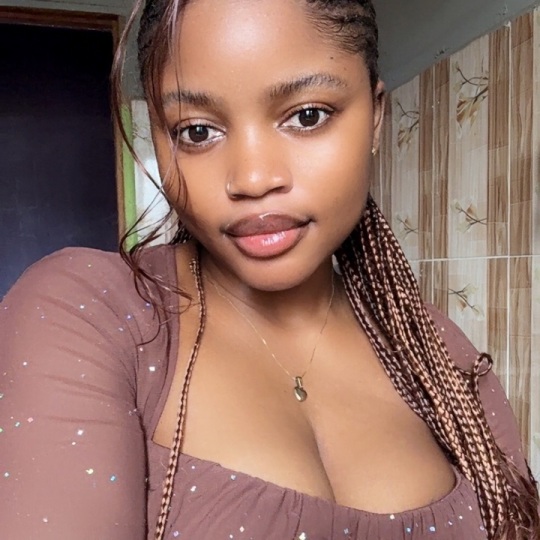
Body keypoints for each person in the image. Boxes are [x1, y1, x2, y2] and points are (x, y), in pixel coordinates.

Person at [1, 0, 539, 538]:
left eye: (307, 116)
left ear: (376, 118)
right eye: (196, 132)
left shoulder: (437, 351)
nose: (253, 178)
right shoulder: (87, 314)